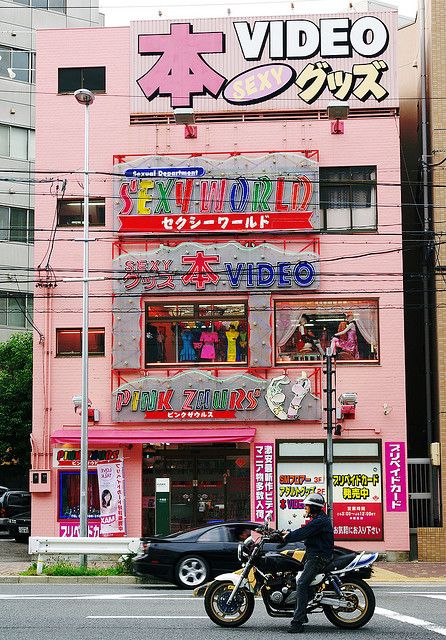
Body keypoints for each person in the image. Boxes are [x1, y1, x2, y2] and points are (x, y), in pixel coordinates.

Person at [281, 493, 334, 634]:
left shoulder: (320, 521)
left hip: (318, 557)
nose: (305, 508)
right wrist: (286, 533)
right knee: (297, 578)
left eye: (307, 506)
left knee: (302, 583)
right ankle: (302, 609)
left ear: (314, 507)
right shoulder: (319, 519)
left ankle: (297, 622)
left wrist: (287, 537)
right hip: (314, 555)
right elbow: (304, 531)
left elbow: (303, 532)